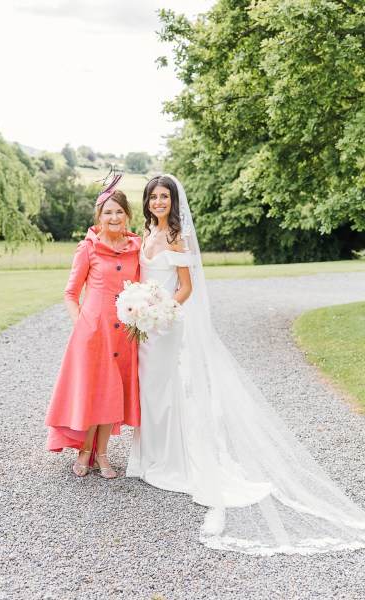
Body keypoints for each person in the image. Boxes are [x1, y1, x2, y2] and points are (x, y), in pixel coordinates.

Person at [127, 174, 365, 555]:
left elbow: (185, 287)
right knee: (150, 391)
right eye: (153, 197)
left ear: (173, 202)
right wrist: (139, 308)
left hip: (168, 324)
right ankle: (149, 459)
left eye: (164, 197)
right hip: (146, 326)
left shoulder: (178, 238)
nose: (159, 202)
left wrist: (162, 311)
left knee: (170, 392)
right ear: (147, 202)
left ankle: (174, 462)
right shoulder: (144, 236)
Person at [45, 176, 141, 478]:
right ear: (99, 217)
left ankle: (101, 454)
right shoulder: (87, 248)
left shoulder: (136, 248)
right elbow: (70, 293)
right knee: (91, 390)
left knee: (111, 392)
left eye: (119, 212)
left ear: (127, 215)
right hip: (92, 332)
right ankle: (85, 452)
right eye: (107, 213)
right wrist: (80, 324)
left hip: (123, 334)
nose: (113, 218)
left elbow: (140, 287)